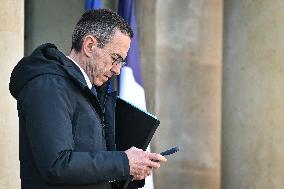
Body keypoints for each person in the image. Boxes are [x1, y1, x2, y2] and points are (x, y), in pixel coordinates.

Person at [9, 9, 166, 189]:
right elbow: (57, 165)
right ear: (90, 46)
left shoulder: (90, 90)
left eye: (121, 62)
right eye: (115, 58)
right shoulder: (49, 85)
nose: (117, 70)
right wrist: (124, 162)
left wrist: (133, 168)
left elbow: (92, 167)